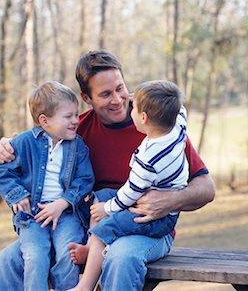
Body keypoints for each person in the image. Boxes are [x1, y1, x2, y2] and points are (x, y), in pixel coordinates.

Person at [0, 50, 215, 290]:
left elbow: (207, 188)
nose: (118, 100)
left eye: (120, 88)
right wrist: (5, 146)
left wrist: (171, 200)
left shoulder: (159, 127)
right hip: (87, 227)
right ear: (86, 98)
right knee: (10, 259)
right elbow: (37, 142)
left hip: (146, 229)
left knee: (121, 256)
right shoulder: (76, 131)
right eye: (106, 94)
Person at [73, 80, 189, 291]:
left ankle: (84, 287)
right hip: (147, 208)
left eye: (133, 107)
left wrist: (106, 209)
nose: (126, 103)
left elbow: (129, 193)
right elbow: (180, 108)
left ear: (143, 117)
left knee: (103, 228)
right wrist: (150, 99)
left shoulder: (149, 160)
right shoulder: (177, 128)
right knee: (101, 195)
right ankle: (91, 249)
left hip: (154, 219)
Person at [0, 81, 94, 291]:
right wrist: (17, 195)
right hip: (32, 215)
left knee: (68, 252)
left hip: (66, 214)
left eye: (76, 114)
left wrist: (63, 202)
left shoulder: (77, 146)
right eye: (69, 116)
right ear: (44, 121)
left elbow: (84, 180)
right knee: (35, 255)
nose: (76, 121)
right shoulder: (24, 142)